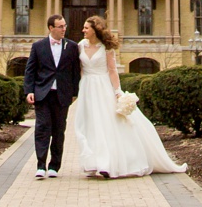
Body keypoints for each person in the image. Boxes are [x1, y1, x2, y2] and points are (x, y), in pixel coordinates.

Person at [73, 15, 188, 178]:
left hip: (103, 87)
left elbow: (112, 70)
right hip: (87, 88)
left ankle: (107, 163)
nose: (83, 30)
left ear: (95, 30)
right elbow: (80, 70)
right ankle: (92, 162)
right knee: (89, 124)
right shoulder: (80, 46)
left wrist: (117, 91)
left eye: (86, 27)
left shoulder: (106, 48)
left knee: (105, 124)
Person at [24, 14, 81, 180]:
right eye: (60, 26)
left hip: (62, 95)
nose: (64, 29)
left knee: (58, 130)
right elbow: (30, 70)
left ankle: (54, 165)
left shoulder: (71, 46)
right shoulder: (38, 46)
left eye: (65, 26)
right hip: (43, 93)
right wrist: (29, 91)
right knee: (42, 128)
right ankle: (41, 165)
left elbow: (75, 72)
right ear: (51, 28)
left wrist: (74, 93)